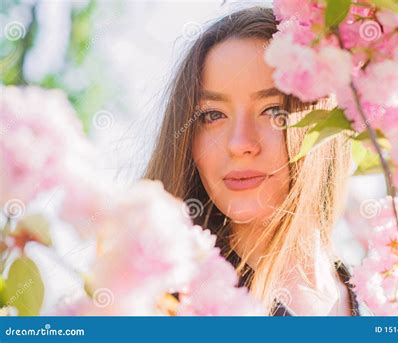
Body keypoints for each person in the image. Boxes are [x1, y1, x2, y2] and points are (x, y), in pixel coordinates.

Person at [145, 6, 360, 316]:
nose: (239, 144)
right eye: (212, 115)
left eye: (273, 111)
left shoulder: (396, 307)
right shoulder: (161, 304)